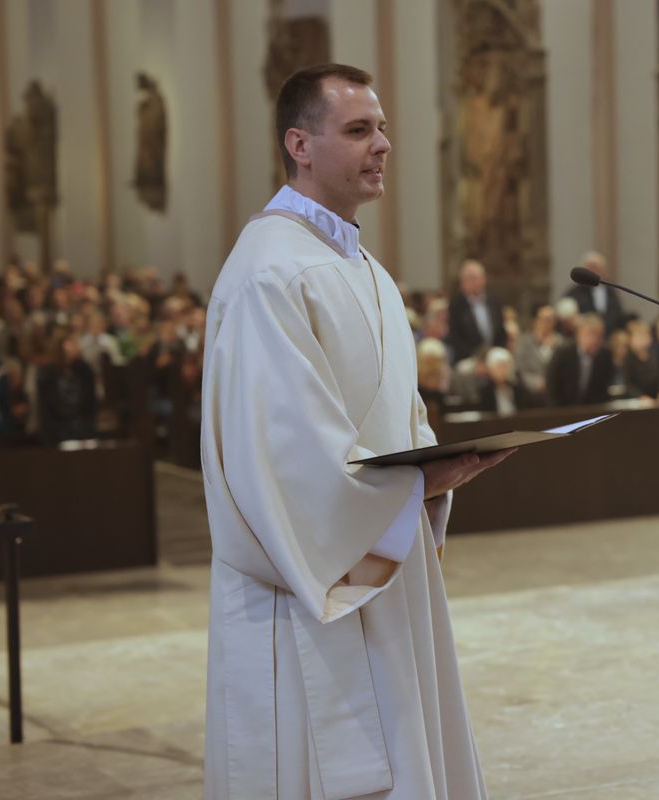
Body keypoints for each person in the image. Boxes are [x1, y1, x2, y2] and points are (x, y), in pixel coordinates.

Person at [200, 63, 510, 800]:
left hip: (379, 560)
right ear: (299, 145)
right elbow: (281, 461)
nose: (384, 144)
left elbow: (394, 414)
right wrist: (416, 484)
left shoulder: (359, 264)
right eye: (359, 129)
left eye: (381, 127)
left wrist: (432, 476)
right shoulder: (270, 274)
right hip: (307, 588)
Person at [545, 313, 615, 406]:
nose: (596, 340)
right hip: (563, 409)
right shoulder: (563, 354)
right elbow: (552, 385)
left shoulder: (605, 356)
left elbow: (603, 390)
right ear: (579, 335)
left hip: (592, 411)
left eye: (599, 336)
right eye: (591, 334)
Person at [446, 258, 507, 363]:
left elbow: (501, 331)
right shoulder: (456, 305)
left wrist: (495, 352)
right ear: (462, 283)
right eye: (468, 279)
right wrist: (476, 356)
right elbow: (454, 337)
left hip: (493, 357)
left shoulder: (494, 302)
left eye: (475, 278)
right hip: (467, 358)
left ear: (484, 279)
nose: (473, 282)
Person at [565, 251, 628, 332]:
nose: (594, 271)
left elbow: (617, 312)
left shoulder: (610, 290)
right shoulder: (575, 292)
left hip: (609, 333)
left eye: (597, 268)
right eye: (591, 268)